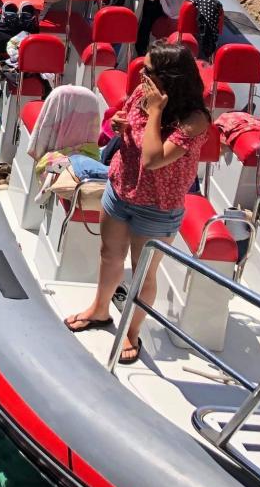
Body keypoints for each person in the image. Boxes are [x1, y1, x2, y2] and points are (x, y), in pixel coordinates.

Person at [63, 43, 212, 364]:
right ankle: (100, 310)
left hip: (157, 206)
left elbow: (154, 159)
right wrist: (122, 125)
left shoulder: (194, 120)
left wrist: (156, 111)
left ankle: (132, 332)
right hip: (121, 188)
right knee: (109, 255)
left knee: (143, 273)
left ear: (169, 79)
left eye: (149, 71)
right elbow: (128, 127)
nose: (141, 74)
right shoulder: (140, 94)